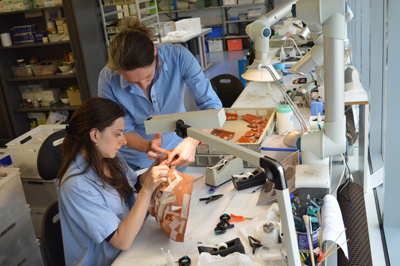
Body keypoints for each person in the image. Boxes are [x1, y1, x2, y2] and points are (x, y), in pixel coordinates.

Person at [57, 97, 170, 266]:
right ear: (95, 134)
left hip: (132, 245)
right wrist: (147, 189)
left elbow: (134, 185)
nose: (124, 141)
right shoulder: (76, 186)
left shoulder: (109, 157)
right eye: (117, 134)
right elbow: (120, 241)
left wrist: (158, 165)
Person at [98, 21, 222, 170]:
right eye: (132, 82)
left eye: (148, 76)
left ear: (154, 51)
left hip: (177, 152)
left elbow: (213, 108)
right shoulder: (108, 79)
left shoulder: (179, 57)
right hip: (134, 162)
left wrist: (192, 141)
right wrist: (148, 146)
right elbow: (121, 129)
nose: (143, 86)